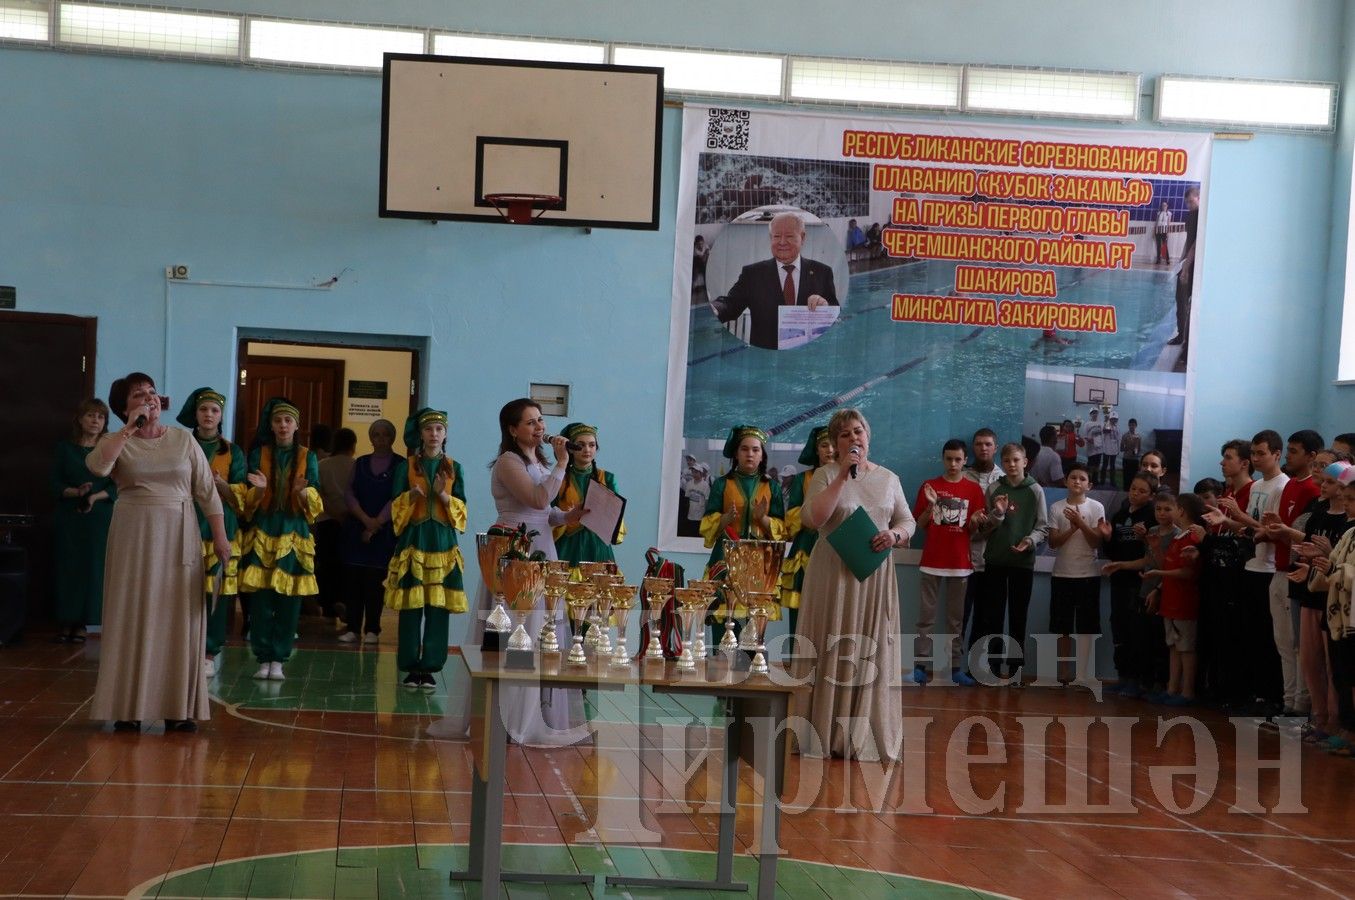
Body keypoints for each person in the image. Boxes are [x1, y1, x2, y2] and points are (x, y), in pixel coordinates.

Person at [443, 398, 589, 746]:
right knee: (516, 633)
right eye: (530, 423)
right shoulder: (508, 462)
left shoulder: (536, 460)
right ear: (512, 430)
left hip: (541, 549)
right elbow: (536, 500)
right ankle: (511, 718)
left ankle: (539, 713)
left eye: (540, 420)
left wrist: (569, 516)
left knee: (543, 629)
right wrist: (563, 463)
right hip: (515, 555)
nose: (540, 427)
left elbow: (546, 511)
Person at [87, 372, 228, 733]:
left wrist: (221, 537)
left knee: (178, 616)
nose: (149, 398)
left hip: (180, 532)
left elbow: (207, 492)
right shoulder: (115, 439)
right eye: (139, 394)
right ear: (124, 406)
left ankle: (178, 709)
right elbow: (98, 467)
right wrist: (128, 430)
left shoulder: (183, 439)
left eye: (151, 392)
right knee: (130, 612)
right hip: (133, 534)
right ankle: (128, 707)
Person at [792, 408, 915, 760]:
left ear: (868, 435)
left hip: (874, 577)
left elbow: (907, 520)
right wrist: (843, 476)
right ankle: (820, 732)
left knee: (871, 647)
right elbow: (814, 519)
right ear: (835, 442)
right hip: (832, 576)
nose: (853, 439)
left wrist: (894, 534)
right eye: (844, 434)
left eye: (858, 431)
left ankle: (863, 736)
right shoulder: (825, 474)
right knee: (828, 643)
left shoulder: (890, 479)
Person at [238, 397, 321, 682]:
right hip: (263, 531)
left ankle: (279, 658)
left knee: (289, 599)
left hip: (295, 532)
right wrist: (259, 490)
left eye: (288, 420)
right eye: (277, 421)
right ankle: (263, 656)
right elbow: (248, 504)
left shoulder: (307, 456)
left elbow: (315, 502)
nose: (283, 425)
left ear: (297, 425)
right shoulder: (258, 454)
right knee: (261, 599)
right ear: (271, 426)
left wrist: (301, 492)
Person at [385, 409, 467, 690]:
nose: (434, 434)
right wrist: (411, 495)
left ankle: (431, 666)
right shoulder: (405, 467)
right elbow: (395, 506)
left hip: (443, 542)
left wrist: (443, 495)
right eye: (429, 429)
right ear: (420, 434)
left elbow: (462, 509)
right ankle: (409, 666)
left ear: (445, 435)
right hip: (414, 540)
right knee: (411, 605)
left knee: (438, 607)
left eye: (439, 429)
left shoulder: (455, 467)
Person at [176, 388, 247, 679]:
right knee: (182, 589)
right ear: (196, 414)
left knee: (216, 590)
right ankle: (182, 647)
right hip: (184, 524)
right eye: (204, 410)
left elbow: (242, 493)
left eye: (214, 411)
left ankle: (209, 650)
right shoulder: (180, 445)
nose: (208, 415)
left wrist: (223, 486)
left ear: (220, 417)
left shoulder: (232, 451)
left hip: (220, 527)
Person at [700, 425, 787, 637]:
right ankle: (719, 665)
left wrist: (763, 519)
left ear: (762, 455)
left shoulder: (772, 487)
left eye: (755, 450)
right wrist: (725, 519)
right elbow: (707, 522)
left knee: (753, 622)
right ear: (736, 454)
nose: (750, 454)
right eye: (745, 449)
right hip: (725, 556)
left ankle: (752, 664)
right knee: (724, 614)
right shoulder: (722, 484)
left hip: (758, 560)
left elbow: (782, 529)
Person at [912, 439, 986, 686]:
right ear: (943, 459)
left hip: (960, 564)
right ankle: (920, 665)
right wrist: (931, 506)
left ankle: (955, 668)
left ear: (965, 460)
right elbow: (919, 525)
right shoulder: (929, 486)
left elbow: (974, 530)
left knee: (956, 619)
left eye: (958, 459)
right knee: (926, 618)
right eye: (949, 459)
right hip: (931, 560)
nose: (953, 464)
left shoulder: (974, 490)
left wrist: (976, 519)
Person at [974, 442, 1048, 684]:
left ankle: (1015, 671)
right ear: (1002, 464)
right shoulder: (995, 488)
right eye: (1007, 461)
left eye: (1016, 460)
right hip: (995, 561)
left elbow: (1043, 526)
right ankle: (994, 668)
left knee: (1018, 617)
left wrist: (1029, 541)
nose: (1012, 465)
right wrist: (998, 513)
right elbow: (984, 528)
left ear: (1025, 462)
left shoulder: (1035, 490)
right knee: (993, 617)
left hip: (1022, 564)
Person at [710, 211, 839, 350]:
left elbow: (835, 312)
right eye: (776, 236)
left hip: (808, 355)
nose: (782, 242)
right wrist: (716, 308)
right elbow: (731, 304)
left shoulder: (823, 272)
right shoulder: (753, 274)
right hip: (765, 358)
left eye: (789, 236)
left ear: (802, 237)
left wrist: (825, 306)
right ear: (770, 238)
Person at [50, 398, 116, 643]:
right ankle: (66, 621)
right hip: (70, 516)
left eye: (100, 417)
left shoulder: (110, 450)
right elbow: (54, 483)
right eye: (91, 415)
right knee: (69, 568)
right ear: (80, 419)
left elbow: (117, 486)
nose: (95, 421)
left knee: (94, 569)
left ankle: (84, 625)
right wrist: (76, 493)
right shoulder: (64, 449)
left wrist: (93, 497)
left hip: (99, 517)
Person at [1145, 493, 1208, 705]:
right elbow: (1168, 566)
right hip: (1170, 601)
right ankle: (1172, 688)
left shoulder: (1192, 538)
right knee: (1173, 646)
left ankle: (1187, 691)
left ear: (1180, 510)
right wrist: (1155, 550)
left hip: (1184, 602)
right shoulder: (1179, 538)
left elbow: (1187, 573)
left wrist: (1158, 576)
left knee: (1186, 648)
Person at [338, 420, 397, 644]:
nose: (381, 439)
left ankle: (373, 628)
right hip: (357, 529)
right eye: (376, 435)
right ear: (371, 438)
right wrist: (365, 520)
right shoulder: (360, 462)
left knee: (375, 583)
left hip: (383, 532)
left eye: (385, 435)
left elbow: (397, 497)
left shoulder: (399, 464)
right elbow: (349, 493)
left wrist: (376, 523)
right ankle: (352, 627)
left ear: (392, 438)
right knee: (353, 581)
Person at [1100, 472, 1159, 696]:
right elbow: (1112, 551)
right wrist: (1107, 537)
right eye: (1133, 488)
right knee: (1119, 626)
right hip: (1119, 580)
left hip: (1141, 582)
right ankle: (1123, 676)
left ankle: (1138, 680)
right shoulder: (1119, 515)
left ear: (1152, 495)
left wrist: (1145, 537)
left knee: (1137, 630)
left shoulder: (1152, 516)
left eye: (1142, 491)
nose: (1135, 493)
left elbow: (1153, 553)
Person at [1046, 462, 1105, 684]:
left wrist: (1080, 522)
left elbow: (1095, 541)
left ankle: (1083, 675)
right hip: (1062, 575)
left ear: (1089, 484)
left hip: (1089, 575)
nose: (1077, 481)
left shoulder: (1097, 507)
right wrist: (1071, 527)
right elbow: (1053, 543)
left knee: (1086, 628)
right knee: (1062, 628)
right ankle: (1063, 673)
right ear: (1065, 481)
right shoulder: (1056, 507)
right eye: (1073, 477)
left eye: (1082, 478)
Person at [780, 427, 833, 647]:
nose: (829, 450)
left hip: (835, 548)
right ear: (816, 450)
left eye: (832, 444)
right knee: (799, 607)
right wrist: (814, 514)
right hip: (805, 548)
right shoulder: (803, 478)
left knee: (831, 608)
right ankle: (796, 660)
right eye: (823, 445)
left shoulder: (848, 475)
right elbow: (792, 516)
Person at [551, 421, 626, 573]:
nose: (587, 450)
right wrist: (570, 518)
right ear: (571, 450)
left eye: (592, 445)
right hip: (568, 548)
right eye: (581, 445)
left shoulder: (607, 478)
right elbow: (548, 515)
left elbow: (616, 516)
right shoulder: (559, 478)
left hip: (598, 548)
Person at [961, 428, 1003, 662]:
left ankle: (976, 666)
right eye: (979, 444)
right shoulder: (963, 477)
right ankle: (955, 665)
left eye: (988, 444)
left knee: (985, 617)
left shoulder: (1003, 479)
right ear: (973, 448)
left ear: (995, 447)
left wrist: (993, 519)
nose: (983, 448)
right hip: (965, 558)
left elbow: (1004, 520)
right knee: (960, 615)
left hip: (993, 560)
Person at [315, 427, 357, 624]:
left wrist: (332, 512)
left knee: (326, 565)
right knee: (347, 565)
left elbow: (317, 494)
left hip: (326, 521)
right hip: (351, 520)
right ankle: (345, 602)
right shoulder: (356, 465)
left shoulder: (322, 465)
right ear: (353, 446)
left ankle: (328, 605)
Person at [1168, 186, 1199, 347]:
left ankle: (1187, 341)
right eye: (1187, 203)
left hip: (1196, 266)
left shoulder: (1201, 215)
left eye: (1191, 202)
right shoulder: (1189, 215)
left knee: (1188, 302)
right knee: (1180, 300)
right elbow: (1188, 242)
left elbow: (1196, 244)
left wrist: (1186, 268)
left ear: (1199, 198)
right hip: (1187, 263)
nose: (1189, 206)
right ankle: (1181, 335)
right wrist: (1180, 262)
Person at [680, 462, 710, 538]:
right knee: (690, 534)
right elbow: (687, 498)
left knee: (698, 535)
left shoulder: (705, 485)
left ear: (700, 473)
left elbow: (707, 500)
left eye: (696, 472)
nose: (694, 474)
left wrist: (706, 515)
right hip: (690, 515)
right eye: (693, 472)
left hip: (700, 516)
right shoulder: (689, 484)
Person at [1099, 414, 1121, 487]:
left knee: (1112, 466)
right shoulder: (1106, 425)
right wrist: (1105, 422)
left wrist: (1118, 449)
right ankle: (1102, 480)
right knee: (1104, 465)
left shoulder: (1117, 428)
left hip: (1114, 450)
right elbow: (1103, 432)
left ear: (1117, 420)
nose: (1114, 420)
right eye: (1112, 418)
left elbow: (1118, 439)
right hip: (1106, 449)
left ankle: (1112, 481)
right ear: (1110, 419)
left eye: (1115, 419)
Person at [1120, 418, 1143, 488]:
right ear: (1128, 425)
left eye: (1133, 425)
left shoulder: (1138, 436)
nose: (1132, 426)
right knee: (1126, 477)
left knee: (1135, 478)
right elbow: (1121, 449)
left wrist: (1135, 448)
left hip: (1135, 460)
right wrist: (1129, 447)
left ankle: (1133, 490)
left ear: (1136, 426)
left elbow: (1139, 449)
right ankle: (1125, 492)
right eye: (1130, 425)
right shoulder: (1124, 436)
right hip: (1126, 459)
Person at [1081, 408, 1103, 476]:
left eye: (1096, 413)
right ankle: (1089, 479)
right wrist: (1091, 441)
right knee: (1091, 465)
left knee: (1097, 465)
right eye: (1093, 413)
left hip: (1099, 449)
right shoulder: (1087, 424)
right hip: (1091, 449)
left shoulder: (1101, 423)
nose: (1095, 414)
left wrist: (1098, 442)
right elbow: (1085, 436)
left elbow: (1103, 434)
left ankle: (1095, 479)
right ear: (1090, 414)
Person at [1153, 199, 1172, 264]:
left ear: (1167, 206)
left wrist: (1167, 232)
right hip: (1158, 230)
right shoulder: (1159, 213)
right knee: (1158, 245)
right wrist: (1154, 230)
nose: (1163, 206)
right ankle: (1158, 259)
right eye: (1162, 205)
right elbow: (1156, 222)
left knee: (1164, 245)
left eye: (1165, 205)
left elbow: (1168, 223)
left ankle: (1167, 259)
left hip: (1164, 231)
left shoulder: (1169, 213)